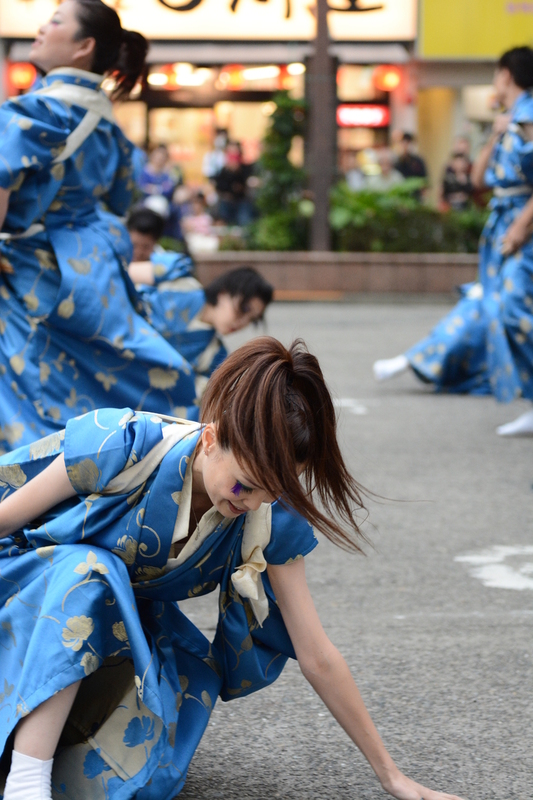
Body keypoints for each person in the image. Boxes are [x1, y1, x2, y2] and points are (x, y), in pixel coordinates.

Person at [0, 336, 465, 800]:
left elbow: (316, 652)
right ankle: (27, 782)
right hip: (22, 598)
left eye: (274, 492)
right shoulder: (122, 444)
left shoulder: (265, 516)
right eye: (246, 486)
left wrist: (392, 778)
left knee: (159, 756)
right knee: (91, 570)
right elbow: (6, 520)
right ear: (211, 437)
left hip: (100, 632)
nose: (256, 504)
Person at [0, 0, 198, 454]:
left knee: (25, 393)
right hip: (95, 273)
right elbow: (120, 198)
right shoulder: (110, 128)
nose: (41, 28)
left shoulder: (30, 111)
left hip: (28, 269)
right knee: (96, 384)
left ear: (82, 47)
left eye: (54, 22)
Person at [374, 47, 533, 432]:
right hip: (505, 222)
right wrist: (494, 136)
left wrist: (521, 226)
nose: (495, 81)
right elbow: (479, 180)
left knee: (510, 308)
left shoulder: (529, 113)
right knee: (492, 304)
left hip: (522, 226)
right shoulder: (510, 118)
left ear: (506, 75)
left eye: (497, 74)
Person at [125, 217, 274, 395]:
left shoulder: (215, 357)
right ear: (225, 291)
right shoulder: (177, 277)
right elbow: (119, 275)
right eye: (245, 309)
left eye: (252, 319)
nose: (242, 322)